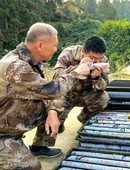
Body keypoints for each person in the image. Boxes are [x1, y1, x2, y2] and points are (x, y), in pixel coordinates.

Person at [0, 22, 90, 169]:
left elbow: (41, 91)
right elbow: (53, 90)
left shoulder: (29, 61)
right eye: (54, 45)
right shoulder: (16, 66)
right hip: (3, 133)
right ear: (40, 45)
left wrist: (52, 112)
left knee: (57, 108)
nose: (56, 49)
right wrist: (77, 73)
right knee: (32, 167)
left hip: (11, 125)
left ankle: (39, 146)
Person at [48, 36, 110, 132]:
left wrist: (95, 78)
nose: (97, 62)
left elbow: (104, 85)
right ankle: (60, 122)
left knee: (103, 98)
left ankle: (85, 118)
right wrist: (77, 69)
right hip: (67, 93)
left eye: (100, 58)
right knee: (54, 106)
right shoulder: (69, 53)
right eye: (93, 58)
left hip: (87, 93)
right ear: (83, 52)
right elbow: (55, 76)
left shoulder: (103, 60)